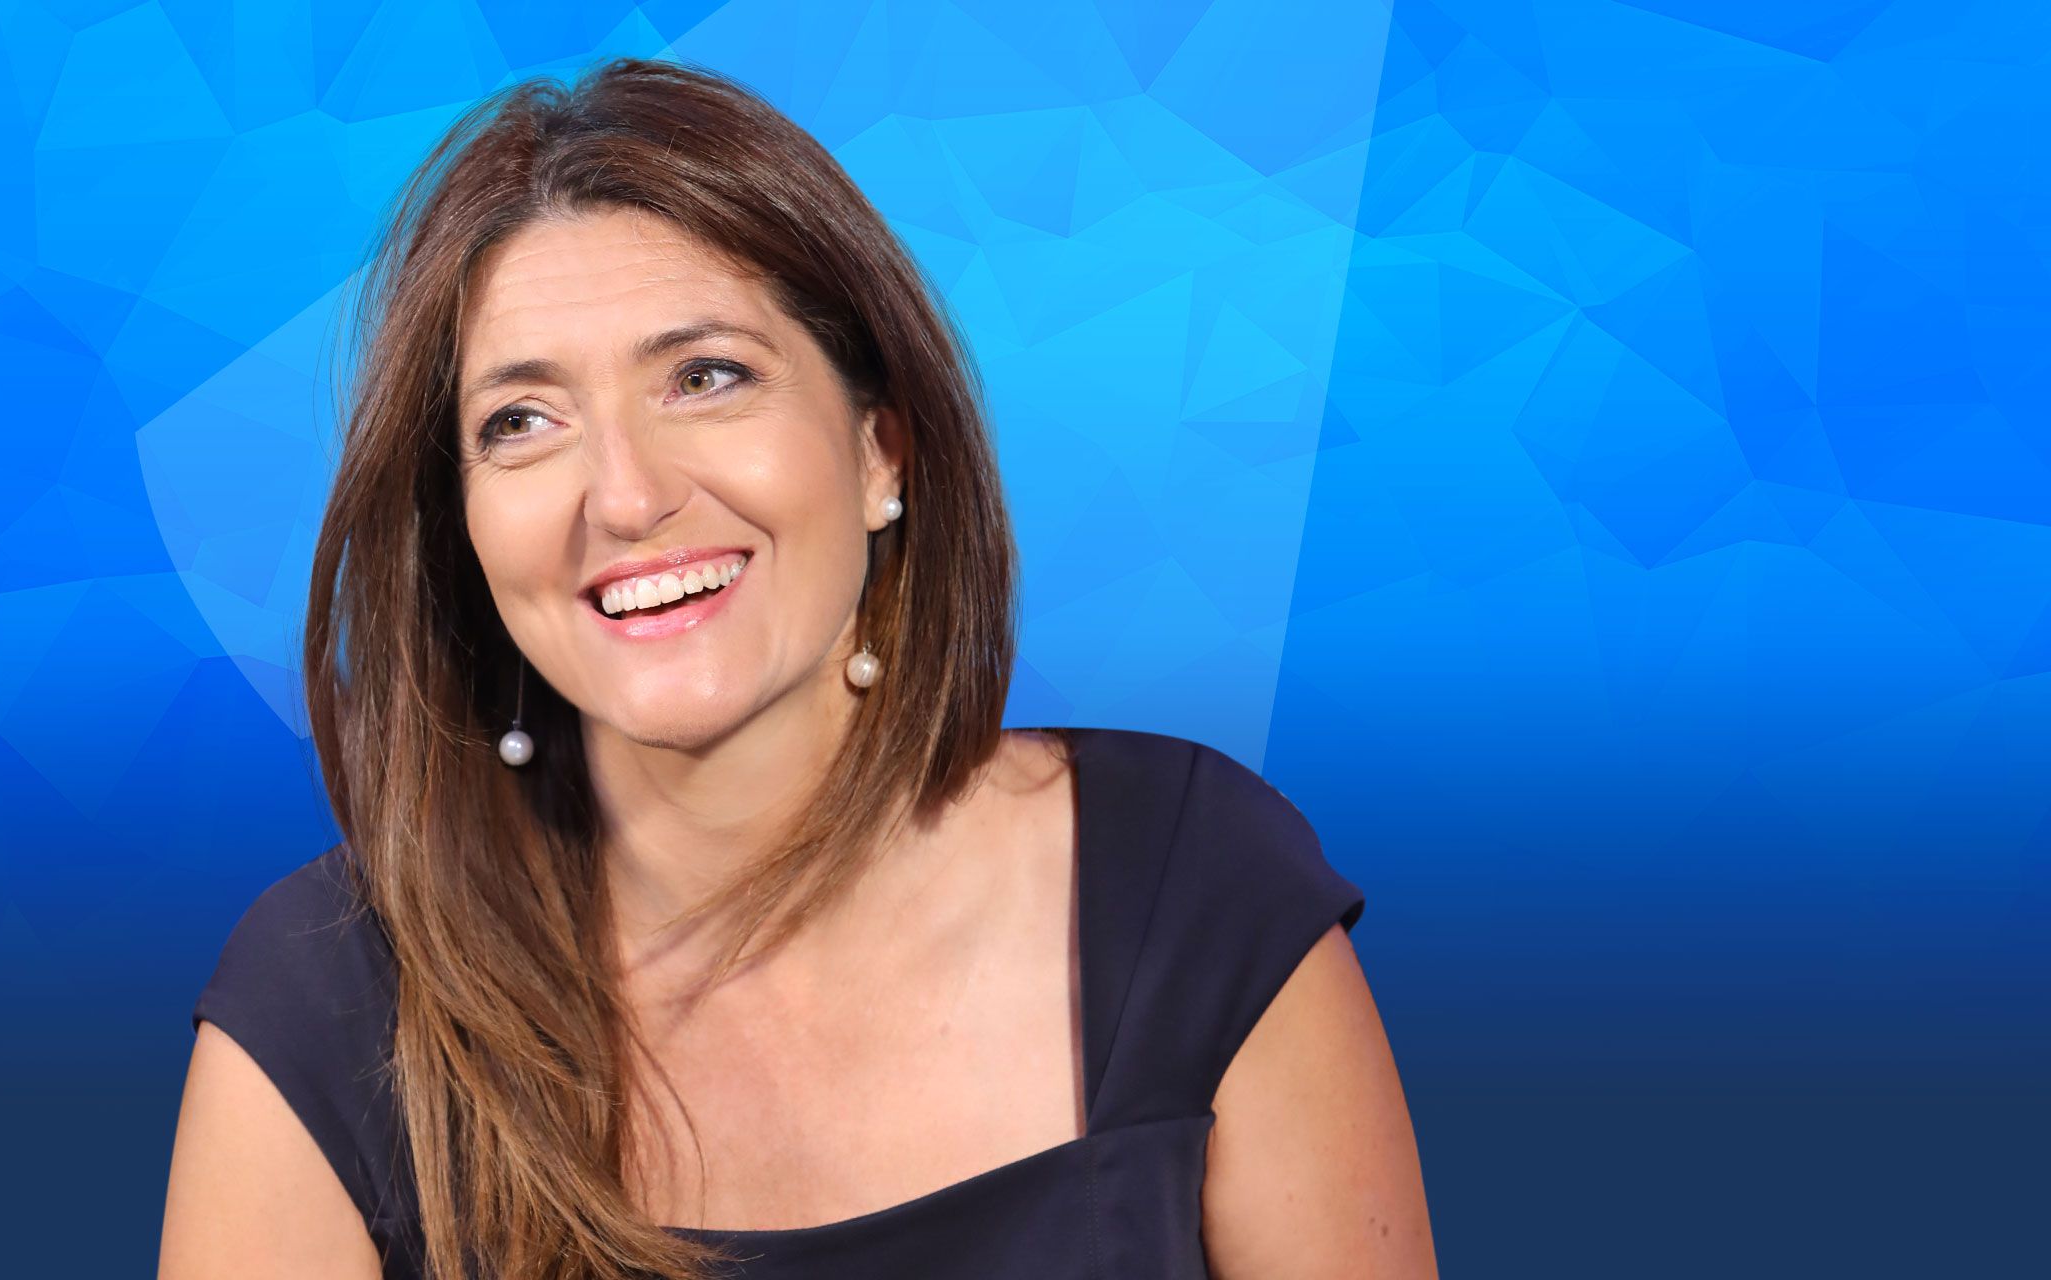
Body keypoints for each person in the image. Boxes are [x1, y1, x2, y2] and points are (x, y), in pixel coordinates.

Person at [159, 56, 1434, 1280]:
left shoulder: (1189, 891)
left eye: (705, 376)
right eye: (522, 420)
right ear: (462, 526)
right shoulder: (321, 1010)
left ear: (882, 450)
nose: (626, 495)